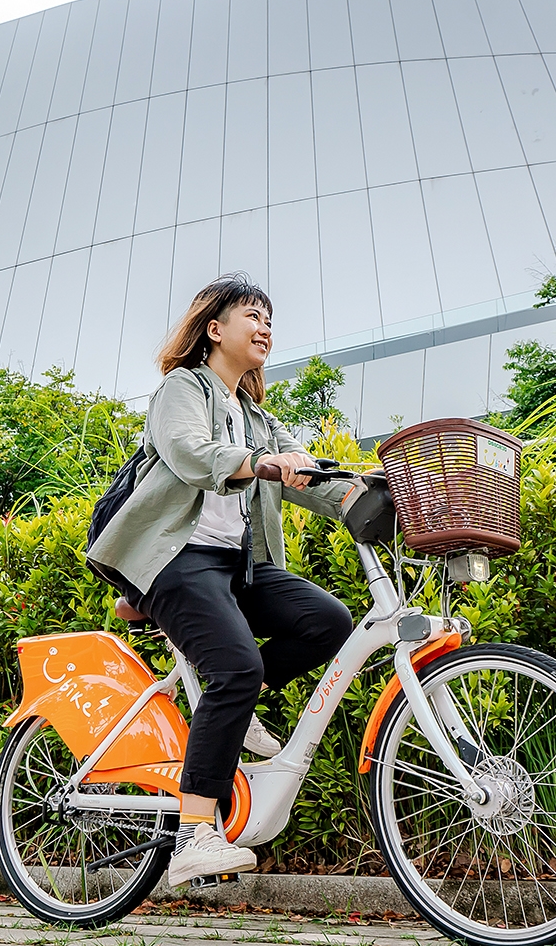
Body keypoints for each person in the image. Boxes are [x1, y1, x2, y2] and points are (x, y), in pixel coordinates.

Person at [87, 273, 360, 886]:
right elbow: (186, 451)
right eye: (252, 317)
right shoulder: (182, 389)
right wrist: (253, 465)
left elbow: (313, 477)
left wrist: (377, 497)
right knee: (237, 667)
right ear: (215, 330)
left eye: (270, 320)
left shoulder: (260, 421)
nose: (265, 328)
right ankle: (194, 834)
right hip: (176, 560)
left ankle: (240, 704)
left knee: (328, 622)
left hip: (236, 567)